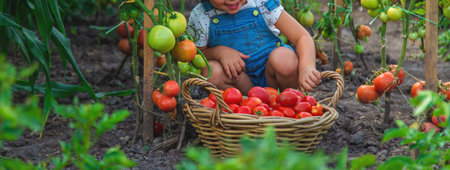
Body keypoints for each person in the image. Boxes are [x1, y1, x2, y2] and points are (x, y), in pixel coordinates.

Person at [187, 0, 321, 95]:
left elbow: (302, 37)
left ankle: (290, 100)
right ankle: (244, 112)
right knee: (210, 72)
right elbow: (197, 55)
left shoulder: (261, 3)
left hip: (272, 77)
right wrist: (219, 52)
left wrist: (306, 68)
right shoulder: (201, 15)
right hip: (239, 81)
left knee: (284, 57)